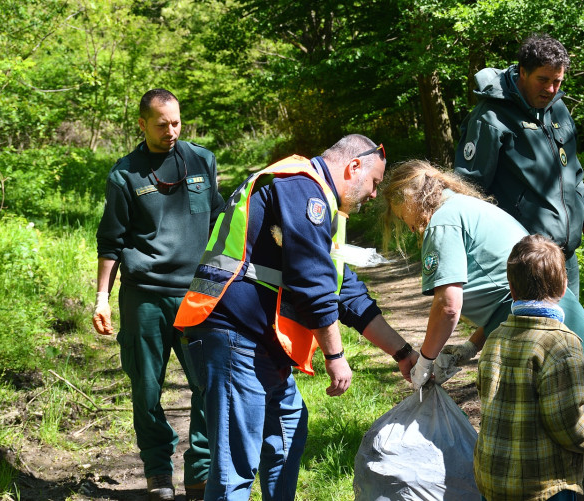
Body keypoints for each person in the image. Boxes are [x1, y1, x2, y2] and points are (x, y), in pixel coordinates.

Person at [173, 134, 419, 500]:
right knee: (235, 466)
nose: (372, 194)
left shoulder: (320, 205)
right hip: (232, 334)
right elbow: (312, 282)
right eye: (374, 183)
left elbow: (344, 291)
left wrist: (402, 353)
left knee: (289, 425)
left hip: (260, 341)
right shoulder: (302, 187)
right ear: (353, 167)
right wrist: (335, 357)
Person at [93, 88, 225, 501]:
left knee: (208, 385)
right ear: (142, 124)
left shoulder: (202, 160)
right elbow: (110, 241)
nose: (171, 131)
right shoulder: (125, 174)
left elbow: (221, 222)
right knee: (146, 388)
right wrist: (101, 297)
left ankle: (200, 471)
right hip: (144, 298)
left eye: (176, 122)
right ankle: (157, 472)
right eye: (161, 124)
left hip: (198, 295)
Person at [381, 160, 584, 390]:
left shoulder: (442, 222)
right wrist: (471, 346)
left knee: (521, 417)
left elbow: (448, 306)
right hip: (564, 321)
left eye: (403, 218)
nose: (410, 228)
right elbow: (503, 297)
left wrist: (425, 361)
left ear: (410, 201)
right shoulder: (463, 206)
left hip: (538, 336)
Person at [474, 234, 584, 500]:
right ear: (564, 286)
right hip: (543, 487)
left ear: (511, 287)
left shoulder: (496, 336)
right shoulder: (561, 344)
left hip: (492, 476)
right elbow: (569, 428)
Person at [454, 34, 584, 298]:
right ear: (522, 72)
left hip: (566, 256)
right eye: (543, 80)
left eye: (557, 81)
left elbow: (573, 173)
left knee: (572, 332)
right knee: (531, 334)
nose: (550, 89)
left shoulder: (558, 110)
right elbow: (470, 189)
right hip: (525, 258)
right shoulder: (491, 116)